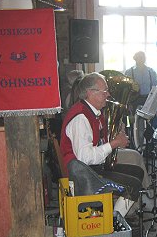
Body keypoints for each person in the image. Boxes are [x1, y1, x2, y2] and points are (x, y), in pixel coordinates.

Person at [60, 72, 145, 210]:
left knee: (138, 172)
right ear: (90, 93)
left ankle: (117, 215)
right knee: (133, 184)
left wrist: (117, 135)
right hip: (83, 176)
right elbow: (84, 158)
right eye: (104, 91)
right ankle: (114, 221)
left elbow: (97, 141)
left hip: (91, 169)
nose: (108, 94)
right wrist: (115, 143)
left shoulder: (92, 112)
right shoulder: (81, 118)